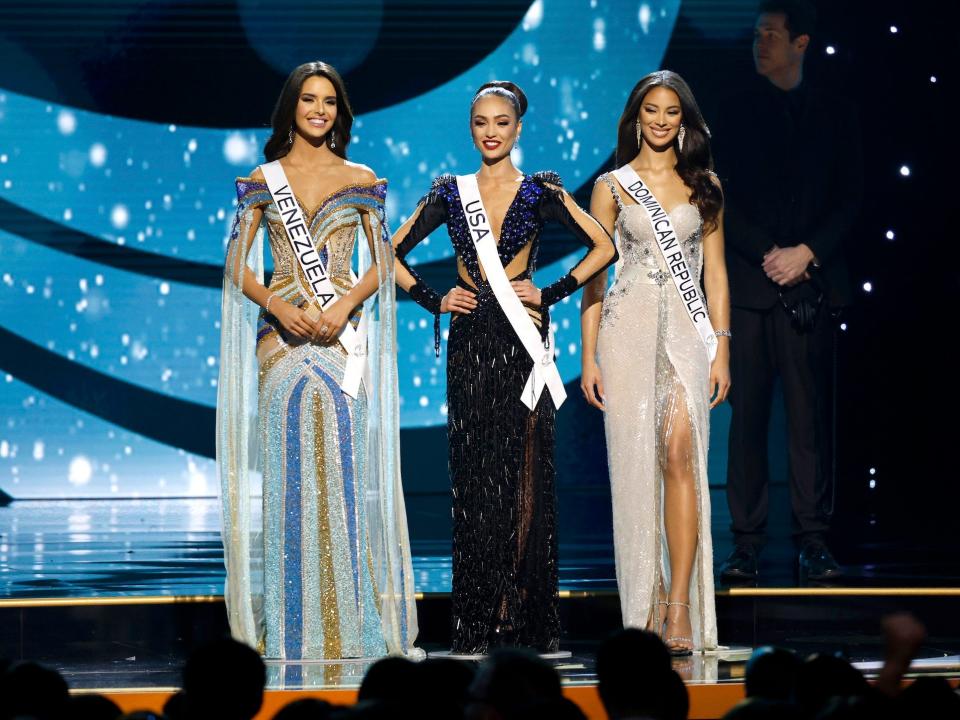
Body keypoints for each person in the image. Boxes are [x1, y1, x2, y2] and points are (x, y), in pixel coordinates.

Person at [393, 81, 617, 655]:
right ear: (471, 130)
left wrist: (553, 290)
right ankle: (477, 615)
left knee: (523, 475)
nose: (491, 131)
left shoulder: (540, 189)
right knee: (475, 479)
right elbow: (383, 249)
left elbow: (604, 246)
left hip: (523, 341)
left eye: (501, 122)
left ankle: (520, 613)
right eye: (480, 123)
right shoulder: (451, 191)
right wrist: (431, 297)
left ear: (518, 129)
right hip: (471, 341)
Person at [216, 61, 418, 660]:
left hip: (340, 339)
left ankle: (350, 629)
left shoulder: (360, 178)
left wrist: (348, 302)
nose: (319, 110)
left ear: (340, 112)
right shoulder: (262, 179)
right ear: (292, 107)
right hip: (280, 342)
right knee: (288, 485)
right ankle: (292, 628)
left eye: (329, 101)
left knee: (344, 483)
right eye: (309, 99)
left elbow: (386, 261)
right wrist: (276, 305)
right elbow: (235, 264)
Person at [581, 70, 729, 655]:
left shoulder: (704, 184)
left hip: (690, 338)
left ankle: (680, 608)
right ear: (635, 118)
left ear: (684, 119)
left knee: (679, 455)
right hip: (627, 332)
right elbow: (595, 280)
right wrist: (588, 356)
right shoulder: (612, 186)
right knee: (638, 469)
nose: (662, 120)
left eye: (673, 111)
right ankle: (645, 601)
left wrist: (723, 348)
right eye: (652, 110)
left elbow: (714, 273)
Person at [712, 0, 861, 582]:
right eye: (756, 35)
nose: (761, 44)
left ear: (802, 43)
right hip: (751, 282)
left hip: (813, 283)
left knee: (809, 418)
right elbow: (720, 192)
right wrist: (769, 254)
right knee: (746, 419)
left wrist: (808, 253)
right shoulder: (735, 110)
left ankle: (813, 538)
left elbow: (851, 196)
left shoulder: (838, 112)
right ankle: (746, 541)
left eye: (772, 35)